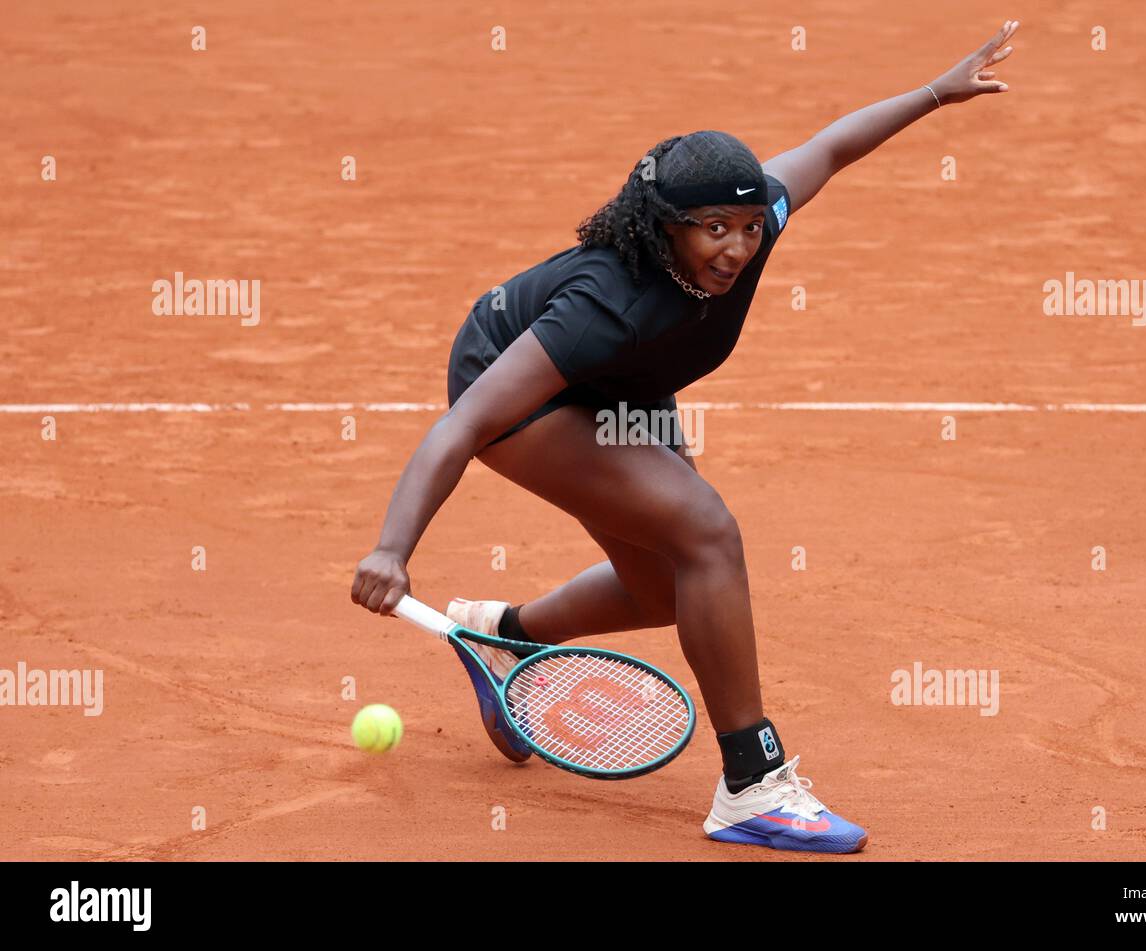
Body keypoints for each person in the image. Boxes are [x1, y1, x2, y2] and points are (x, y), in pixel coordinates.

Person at [353, 19, 1019, 854]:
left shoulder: (752, 219)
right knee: (708, 532)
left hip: (628, 383)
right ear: (662, 224)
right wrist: (392, 546)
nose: (736, 248)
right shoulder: (606, 300)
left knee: (666, 590)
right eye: (712, 228)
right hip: (522, 393)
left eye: (745, 227)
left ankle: (507, 636)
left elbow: (832, 147)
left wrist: (933, 92)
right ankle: (754, 783)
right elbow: (465, 423)